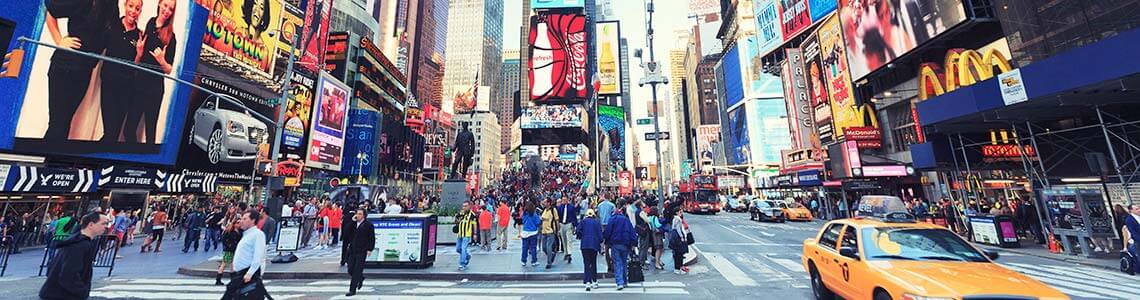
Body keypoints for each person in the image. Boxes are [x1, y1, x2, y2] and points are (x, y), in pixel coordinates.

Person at [124, 0, 178, 144]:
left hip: (155, 89)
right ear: (159, 4)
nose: (167, 10)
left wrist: (161, 60)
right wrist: (139, 51)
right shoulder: (150, 23)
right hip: (139, 83)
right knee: (129, 129)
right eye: (165, 6)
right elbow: (142, 52)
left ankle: (146, 165)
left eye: (171, 9)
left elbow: (169, 70)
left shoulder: (171, 37)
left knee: (150, 133)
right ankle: (133, 158)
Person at [39, 212, 105, 300]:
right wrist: (82, 292)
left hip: (57, 293)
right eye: (104, 223)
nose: (106, 226)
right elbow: (68, 274)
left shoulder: (77, 241)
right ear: (91, 224)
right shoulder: (79, 245)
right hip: (61, 295)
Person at [223, 210, 270, 300]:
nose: (241, 221)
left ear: (253, 220)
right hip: (239, 275)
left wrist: (250, 273)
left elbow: (258, 256)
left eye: (245, 219)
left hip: (246, 275)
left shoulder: (258, 234)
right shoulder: (246, 234)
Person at [603, 205, 636, 290]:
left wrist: (606, 240)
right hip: (625, 244)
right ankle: (625, 281)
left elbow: (607, 232)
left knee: (617, 263)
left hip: (615, 244)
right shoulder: (626, 220)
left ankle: (619, 282)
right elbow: (632, 232)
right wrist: (634, 243)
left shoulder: (612, 219)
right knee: (624, 262)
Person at [345, 209, 375, 297]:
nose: (357, 215)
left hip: (362, 250)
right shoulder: (353, 224)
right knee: (350, 268)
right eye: (357, 214)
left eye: (360, 214)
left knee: (357, 270)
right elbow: (346, 232)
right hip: (352, 249)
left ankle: (352, 290)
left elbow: (372, 238)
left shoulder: (368, 225)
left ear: (364, 216)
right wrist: (352, 222)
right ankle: (360, 278)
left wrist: (370, 249)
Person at [577, 209, 603, 291]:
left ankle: (587, 282)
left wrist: (581, 236)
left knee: (586, 263)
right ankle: (594, 281)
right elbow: (600, 235)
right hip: (594, 245)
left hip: (585, 245)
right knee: (593, 262)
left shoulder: (583, 221)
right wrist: (600, 241)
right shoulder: (597, 222)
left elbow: (578, 231)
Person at [216, 218, 242, 286]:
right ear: (234, 224)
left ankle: (232, 280)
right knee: (224, 264)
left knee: (232, 264)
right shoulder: (230, 231)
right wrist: (228, 246)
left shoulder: (240, 231)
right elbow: (224, 239)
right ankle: (218, 279)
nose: (239, 224)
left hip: (235, 250)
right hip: (229, 250)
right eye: (238, 222)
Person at [455, 202, 478, 271]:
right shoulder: (460, 213)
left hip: (467, 234)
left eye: (465, 206)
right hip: (459, 234)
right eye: (463, 206)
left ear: (469, 206)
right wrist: (456, 220)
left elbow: (474, 225)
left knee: (463, 248)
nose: (464, 207)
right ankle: (467, 256)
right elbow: (456, 221)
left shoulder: (472, 215)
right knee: (458, 249)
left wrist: (475, 234)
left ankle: (462, 264)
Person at [556, 196, 578, 264]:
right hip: (562, 224)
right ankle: (566, 253)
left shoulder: (571, 207)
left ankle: (569, 253)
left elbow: (574, 216)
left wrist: (575, 226)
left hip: (569, 224)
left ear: (568, 200)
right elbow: (558, 216)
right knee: (564, 239)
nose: (564, 201)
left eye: (565, 200)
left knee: (569, 240)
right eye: (563, 200)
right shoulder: (560, 207)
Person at [540, 199, 561, 269]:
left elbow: (557, 220)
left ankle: (549, 262)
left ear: (549, 203)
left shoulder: (553, 210)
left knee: (549, 247)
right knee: (544, 247)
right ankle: (551, 254)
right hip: (544, 231)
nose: (544, 203)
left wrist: (558, 230)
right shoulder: (544, 210)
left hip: (550, 231)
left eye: (545, 202)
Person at [520, 201, 541, 267]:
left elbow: (523, 221)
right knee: (533, 247)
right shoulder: (535, 215)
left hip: (525, 232)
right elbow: (538, 223)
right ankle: (534, 261)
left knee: (524, 247)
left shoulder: (524, 214)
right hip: (533, 233)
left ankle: (523, 261)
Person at [669, 209, 690, 274]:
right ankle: (677, 269)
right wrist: (682, 237)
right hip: (677, 238)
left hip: (676, 237)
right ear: (677, 212)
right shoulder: (677, 219)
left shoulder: (675, 219)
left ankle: (678, 268)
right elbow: (678, 229)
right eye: (680, 212)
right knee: (679, 253)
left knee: (678, 253)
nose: (681, 213)